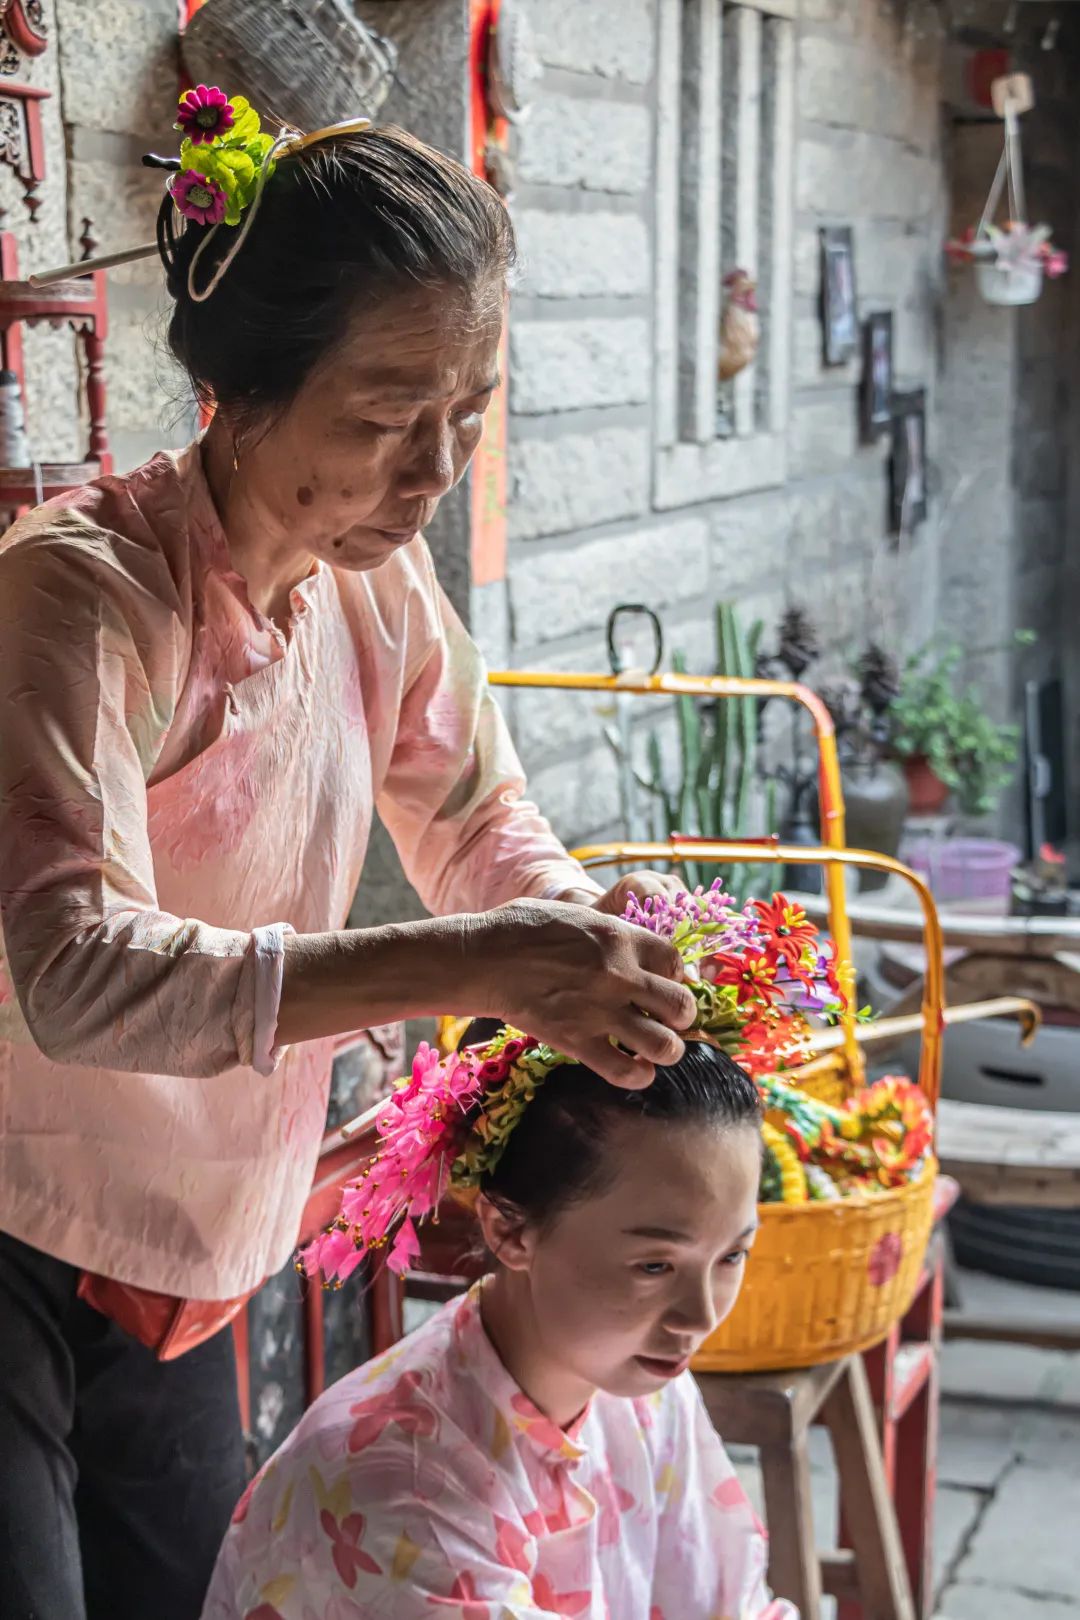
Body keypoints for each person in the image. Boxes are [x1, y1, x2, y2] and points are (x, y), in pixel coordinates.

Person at [0, 97, 695, 1620]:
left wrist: (588, 947)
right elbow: (70, 969)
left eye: (468, 410)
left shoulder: (369, 591)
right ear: (242, 395)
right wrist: (474, 963)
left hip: (186, 1247)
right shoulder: (83, 599)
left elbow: (477, 822)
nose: (433, 470)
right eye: (386, 416)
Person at [202, 1029, 795, 1620]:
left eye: (731, 1256)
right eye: (655, 1265)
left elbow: (732, 1606)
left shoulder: (638, 1385)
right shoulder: (406, 1487)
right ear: (509, 1231)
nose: (702, 1315)